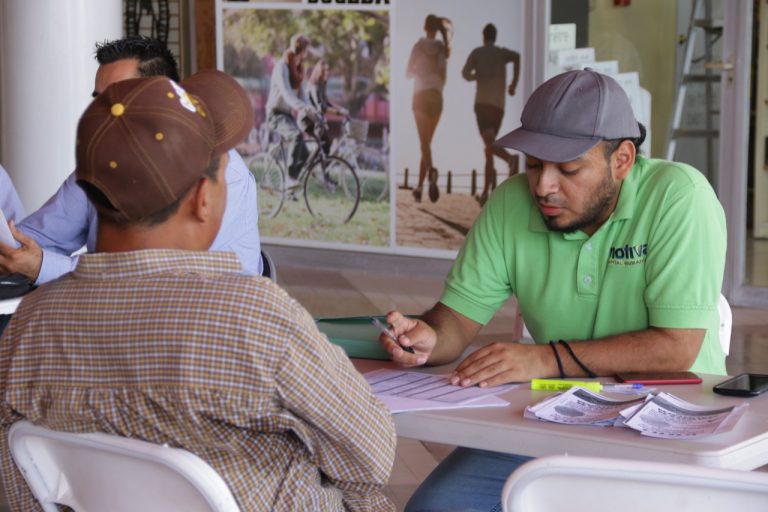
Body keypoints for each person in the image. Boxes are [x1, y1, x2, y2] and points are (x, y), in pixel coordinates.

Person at [0, 70, 396, 511]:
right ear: (203, 200)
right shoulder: (255, 318)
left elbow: (20, 480)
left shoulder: (26, 331)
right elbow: (373, 454)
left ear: (87, 196)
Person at [380, 69, 727, 512]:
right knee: (436, 507)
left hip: (668, 431)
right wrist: (428, 338)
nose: (543, 186)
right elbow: (457, 319)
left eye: (568, 169)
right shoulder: (510, 204)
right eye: (534, 164)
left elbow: (676, 348)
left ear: (622, 160)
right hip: (551, 422)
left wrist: (542, 357)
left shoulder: (679, 197)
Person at [0, 36, 262, 284]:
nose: (103, 115)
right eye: (101, 102)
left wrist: (43, 266)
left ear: (163, 99)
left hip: (206, 316)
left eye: (119, 102)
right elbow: (41, 236)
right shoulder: (104, 162)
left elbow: (155, 276)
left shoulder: (224, 176)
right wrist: (14, 251)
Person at [462, 23, 521, 206]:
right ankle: (485, 193)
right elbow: (517, 57)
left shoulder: (478, 52)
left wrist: (476, 76)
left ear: (483, 36)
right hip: (499, 106)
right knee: (488, 149)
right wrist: (513, 85)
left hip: (482, 103)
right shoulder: (502, 53)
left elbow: (465, 73)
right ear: (494, 37)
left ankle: (510, 158)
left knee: (490, 145)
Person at [407, 14, 452, 203]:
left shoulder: (418, 46)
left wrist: (419, 72)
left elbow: (407, 72)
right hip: (436, 97)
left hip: (421, 96)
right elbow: (443, 74)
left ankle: (431, 171)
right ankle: (419, 188)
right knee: (427, 145)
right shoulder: (442, 48)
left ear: (425, 28)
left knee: (424, 144)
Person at [265, 34, 318, 188]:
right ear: (300, 51)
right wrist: (303, 108)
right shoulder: (281, 67)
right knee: (296, 136)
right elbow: (286, 93)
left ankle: (290, 189)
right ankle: (289, 178)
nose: (307, 55)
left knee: (305, 155)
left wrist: (313, 111)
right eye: (306, 51)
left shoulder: (299, 70)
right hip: (275, 114)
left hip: (287, 115)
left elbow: (304, 96)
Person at [308, 59, 349, 155]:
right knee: (324, 143)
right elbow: (321, 107)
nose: (328, 73)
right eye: (325, 71)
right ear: (319, 72)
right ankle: (311, 167)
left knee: (326, 144)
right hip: (308, 120)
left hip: (317, 120)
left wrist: (340, 109)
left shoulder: (322, 85)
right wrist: (338, 112)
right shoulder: (314, 86)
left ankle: (317, 167)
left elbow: (326, 102)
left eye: (328, 70)